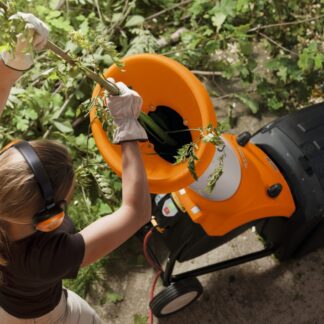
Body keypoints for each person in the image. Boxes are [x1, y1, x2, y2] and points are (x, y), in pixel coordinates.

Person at [0, 12, 151, 323]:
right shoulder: (47, 257)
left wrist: (13, 59)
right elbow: (136, 212)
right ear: (49, 218)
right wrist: (128, 125)